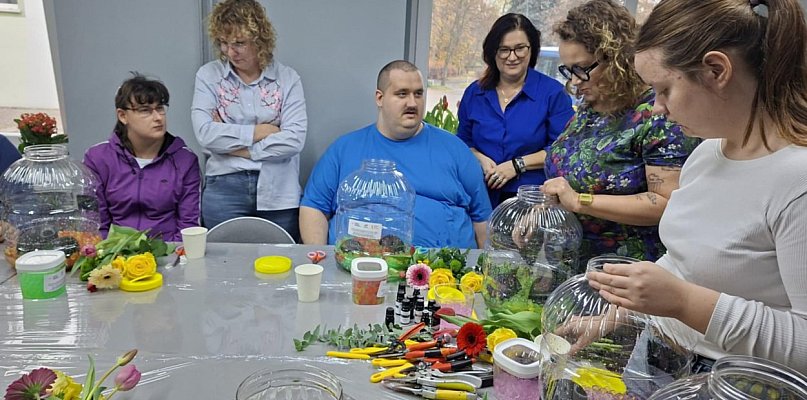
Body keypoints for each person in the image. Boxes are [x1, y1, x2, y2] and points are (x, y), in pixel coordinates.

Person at [586, 0, 807, 373]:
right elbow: (685, 261)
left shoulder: (796, 181)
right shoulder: (706, 153)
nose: (657, 108)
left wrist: (685, 303)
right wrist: (615, 315)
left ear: (716, 70)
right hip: (662, 358)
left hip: (734, 380)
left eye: (664, 90)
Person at [541, 0, 699, 264]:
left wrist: (580, 201)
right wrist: (543, 210)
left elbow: (665, 202)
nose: (575, 81)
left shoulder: (658, 115)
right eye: (569, 70)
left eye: (582, 69)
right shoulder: (591, 109)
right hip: (574, 265)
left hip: (626, 272)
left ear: (617, 59)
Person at [300, 60, 492, 248]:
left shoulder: (455, 149)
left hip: (442, 273)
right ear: (379, 98)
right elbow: (314, 207)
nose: (412, 103)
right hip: (356, 269)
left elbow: (482, 219)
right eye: (402, 94)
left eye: (418, 94)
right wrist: (320, 261)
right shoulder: (343, 149)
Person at [192, 0, 307, 241]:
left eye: (239, 43)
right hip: (224, 187)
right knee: (220, 267)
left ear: (260, 40)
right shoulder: (209, 76)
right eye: (224, 43)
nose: (229, 52)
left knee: (281, 267)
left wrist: (237, 150)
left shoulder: (287, 79)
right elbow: (205, 134)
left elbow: (294, 141)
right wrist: (262, 131)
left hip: (278, 191)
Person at [457, 13, 573, 208]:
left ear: (532, 50)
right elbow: (462, 141)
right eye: (504, 50)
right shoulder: (475, 93)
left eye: (520, 48)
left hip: (532, 201)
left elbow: (563, 150)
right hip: (479, 194)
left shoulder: (553, 94)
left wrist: (516, 165)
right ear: (492, 52)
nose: (512, 57)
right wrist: (479, 159)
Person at [84, 74, 201, 242]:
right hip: (114, 254)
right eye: (145, 110)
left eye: (160, 108)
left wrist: (173, 258)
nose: (158, 117)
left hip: (167, 253)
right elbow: (95, 222)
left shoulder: (185, 160)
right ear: (123, 116)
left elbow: (188, 225)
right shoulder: (97, 159)